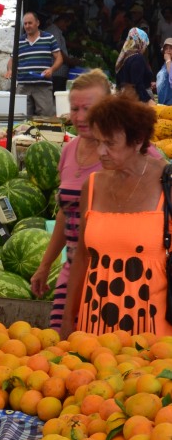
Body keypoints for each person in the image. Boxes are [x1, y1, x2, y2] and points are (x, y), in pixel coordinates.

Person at [60, 93, 170, 339]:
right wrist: (68, 318)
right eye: (97, 141)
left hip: (152, 324)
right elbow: (82, 256)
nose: (101, 151)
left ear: (138, 140)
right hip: (97, 321)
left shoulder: (167, 182)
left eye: (110, 143)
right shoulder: (93, 185)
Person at [30, 70, 111, 330]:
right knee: (62, 349)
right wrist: (44, 266)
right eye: (74, 108)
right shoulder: (68, 150)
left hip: (110, 274)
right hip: (72, 268)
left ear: (109, 107)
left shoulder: (125, 152)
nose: (80, 116)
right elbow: (66, 213)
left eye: (88, 108)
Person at [4, 11, 64, 117]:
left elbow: (59, 58)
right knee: (21, 116)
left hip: (43, 85)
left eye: (30, 23)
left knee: (46, 117)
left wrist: (51, 70)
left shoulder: (48, 38)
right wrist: (10, 70)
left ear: (37, 23)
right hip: (23, 86)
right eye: (25, 23)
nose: (27, 26)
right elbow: (12, 60)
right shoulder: (19, 41)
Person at [115, 27, 154, 102]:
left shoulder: (123, 59)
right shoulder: (137, 58)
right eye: (145, 43)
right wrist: (148, 101)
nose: (145, 47)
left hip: (127, 100)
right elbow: (137, 84)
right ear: (140, 41)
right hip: (139, 102)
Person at [157, 38, 172, 106]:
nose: (168, 51)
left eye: (171, 48)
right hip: (163, 103)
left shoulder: (168, 62)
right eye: (166, 48)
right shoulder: (164, 64)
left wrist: (168, 60)